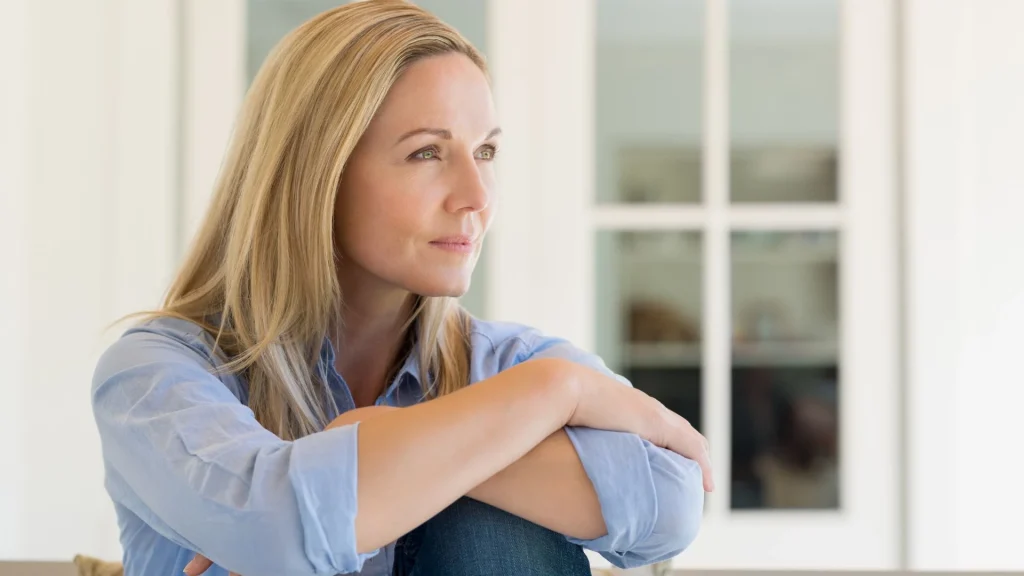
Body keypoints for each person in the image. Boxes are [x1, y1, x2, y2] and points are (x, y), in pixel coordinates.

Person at [90, 2, 712, 575]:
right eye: (426, 154)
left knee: (491, 524)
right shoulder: (155, 374)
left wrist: (371, 435)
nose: (476, 197)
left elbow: (671, 502)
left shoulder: (510, 365)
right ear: (318, 174)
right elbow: (278, 528)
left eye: (487, 150)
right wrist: (555, 395)